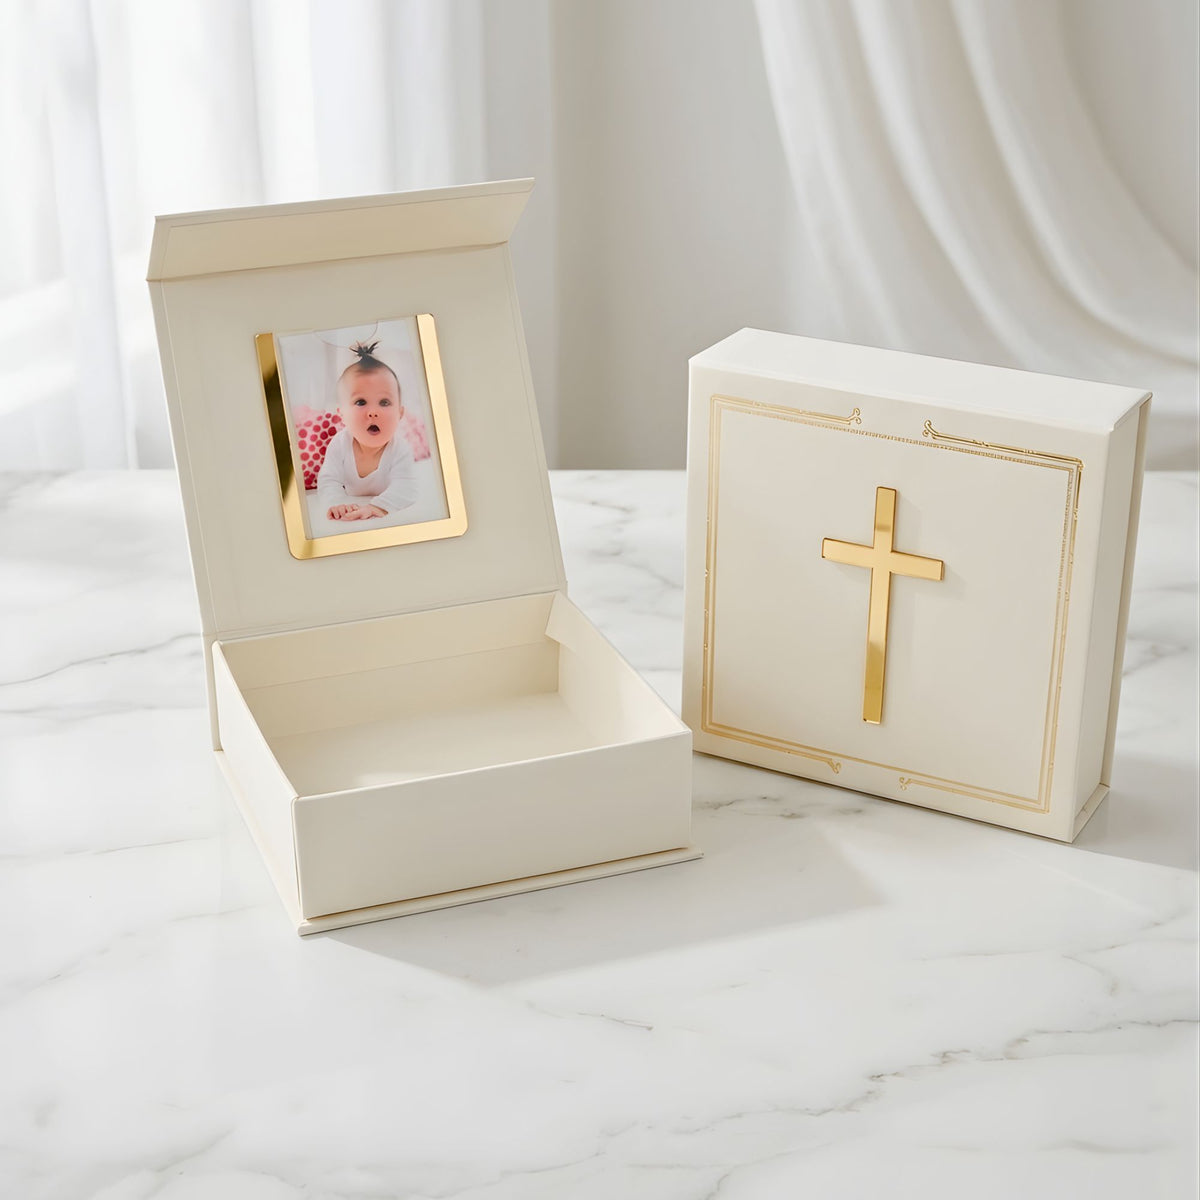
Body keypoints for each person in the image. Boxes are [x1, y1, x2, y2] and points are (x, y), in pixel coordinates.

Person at [315, 341, 419, 521]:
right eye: (361, 402)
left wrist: (377, 507)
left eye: (384, 402)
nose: (373, 412)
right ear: (342, 415)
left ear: (400, 413)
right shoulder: (339, 445)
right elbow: (328, 480)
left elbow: (406, 487)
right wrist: (337, 503)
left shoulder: (400, 449)